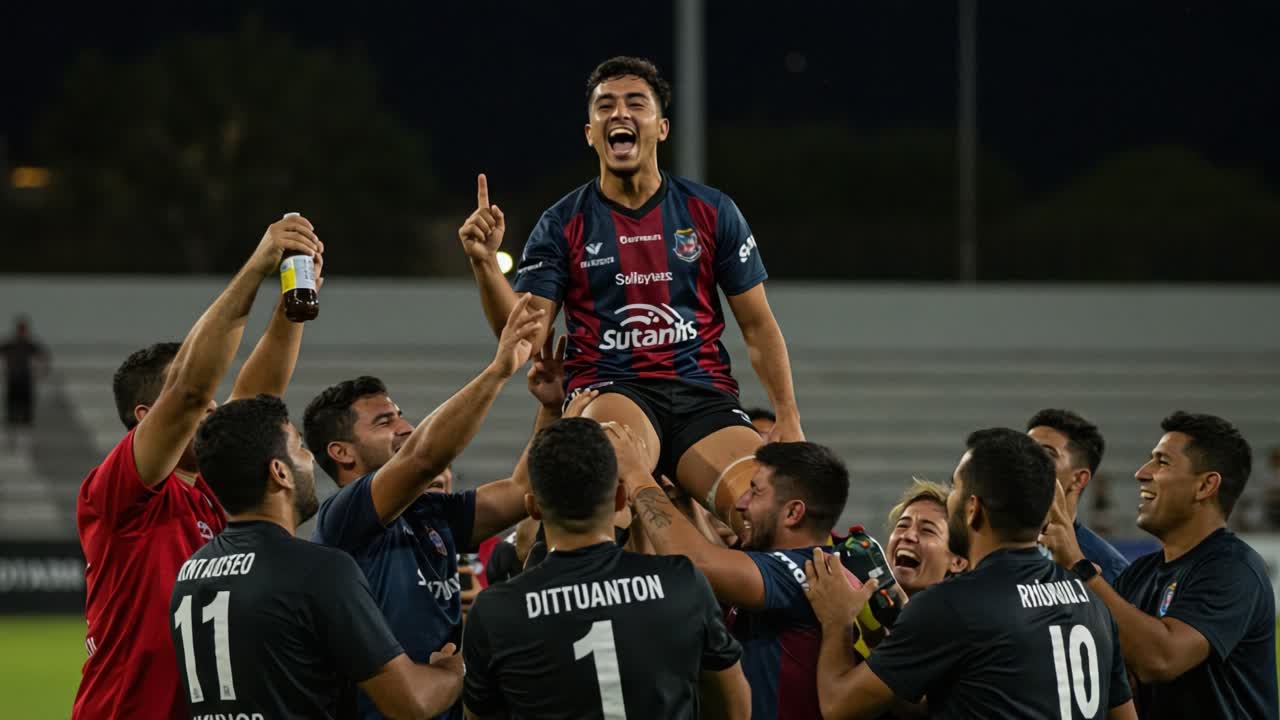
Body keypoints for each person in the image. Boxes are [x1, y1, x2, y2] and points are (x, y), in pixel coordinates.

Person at [458, 56, 803, 534]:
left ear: (661, 128)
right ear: (590, 133)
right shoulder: (561, 223)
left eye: (636, 103)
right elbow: (525, 338)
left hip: (702, 395)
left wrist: (787, 414)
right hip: (612, 387)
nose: (619, 113)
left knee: (767, 515)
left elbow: (758, 324)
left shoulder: (712, 211)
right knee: (602, 496)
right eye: (605, 106)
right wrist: (483, 263)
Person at [73, 215, 322, 720]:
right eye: (201, 403)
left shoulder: (214, 487)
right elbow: (189, 392)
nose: (213, 407)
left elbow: (259, 397)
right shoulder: (119, 493)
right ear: (146, 417)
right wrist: (256, 267)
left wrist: (291, 304)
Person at [304, 306, 580, 720]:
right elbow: (423, 459)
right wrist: (497, 371)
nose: (405, 426)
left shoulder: (430, 513)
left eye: (400, 415)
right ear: (341, 452)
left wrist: (552, 409)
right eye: (384, 422)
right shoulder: (343, 517)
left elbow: (521, 490)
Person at [806, 428, 1136, 720]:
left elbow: (838, 706)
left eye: (956, 488)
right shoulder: (1090, 598)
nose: (950, 499)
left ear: (973, 508)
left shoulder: (951, 605)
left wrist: (837, 621)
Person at [172, 395, 463, 720]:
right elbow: (412, 702)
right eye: (299, 447)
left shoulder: (189, 573)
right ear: (280, 472)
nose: (310, 457)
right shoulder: (318, 570)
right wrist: (454, 669)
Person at [461, 418, 750, 719]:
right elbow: (735, 708)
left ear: (532, 507)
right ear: (621, 498)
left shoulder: (497, 611)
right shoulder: (682, 583)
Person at [1041, 412, 1278, 719]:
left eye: (1162, 462)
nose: (1141, 473)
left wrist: (1079, 566)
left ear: (1206, 485)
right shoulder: (1140, 573)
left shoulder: (1234, 569)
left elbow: (1161, 659)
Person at [613, 425, 849, 720]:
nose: (740, 503)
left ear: (793, 513)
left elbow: (698, 563)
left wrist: (636, 474)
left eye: (756, 492)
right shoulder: (775, 564)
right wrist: (683, 503)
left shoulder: (807, 572)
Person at [1027, 408, 1129, 582]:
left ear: (1079, 479)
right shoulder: (987, 544)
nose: (1025, 460)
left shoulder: (1111, 570)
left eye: (1046, 454)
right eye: (1025, 450)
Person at [883, 478, 967, 597]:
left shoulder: (968, 608)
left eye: (927, 530)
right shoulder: (860, 603)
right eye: (902, 525)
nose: (907, 535)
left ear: (957, 562)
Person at [1, 316, 50, 451]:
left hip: (25, 381)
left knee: (27, 412)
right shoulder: (10, 344)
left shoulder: (29, 345)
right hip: (13, 381)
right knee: (11, 411)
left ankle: (26, 442)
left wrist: (42, 372)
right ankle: (11, 441)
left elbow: (43, 356)